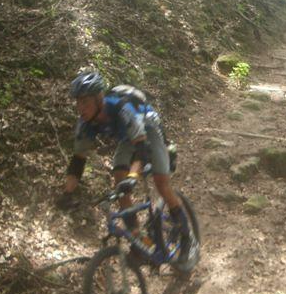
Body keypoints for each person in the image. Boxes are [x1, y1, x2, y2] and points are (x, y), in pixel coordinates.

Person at [58, 71, 196, 269]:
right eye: (77, 103)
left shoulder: (122, 108)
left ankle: (187, 237)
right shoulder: (85, 123)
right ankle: (137, 237)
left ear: (99, 99)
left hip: (148, 129)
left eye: (85, 102)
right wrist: (67, 194)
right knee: (119, 177)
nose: (80, 108)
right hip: (129, 138)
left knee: (161, 182)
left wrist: (133, 176)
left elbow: (142, 149)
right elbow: (78, 161)